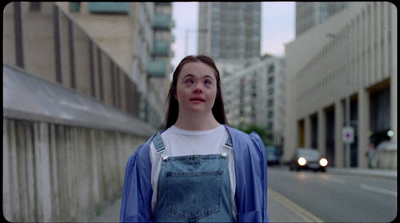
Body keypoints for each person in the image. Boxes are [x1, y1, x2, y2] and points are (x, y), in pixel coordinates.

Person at [120, 55, 270, 222]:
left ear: (216, 92)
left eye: (207, 82)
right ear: (174, 92)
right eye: (189, 81)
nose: (198, 88)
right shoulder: (149, 153)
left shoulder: (243, 149)